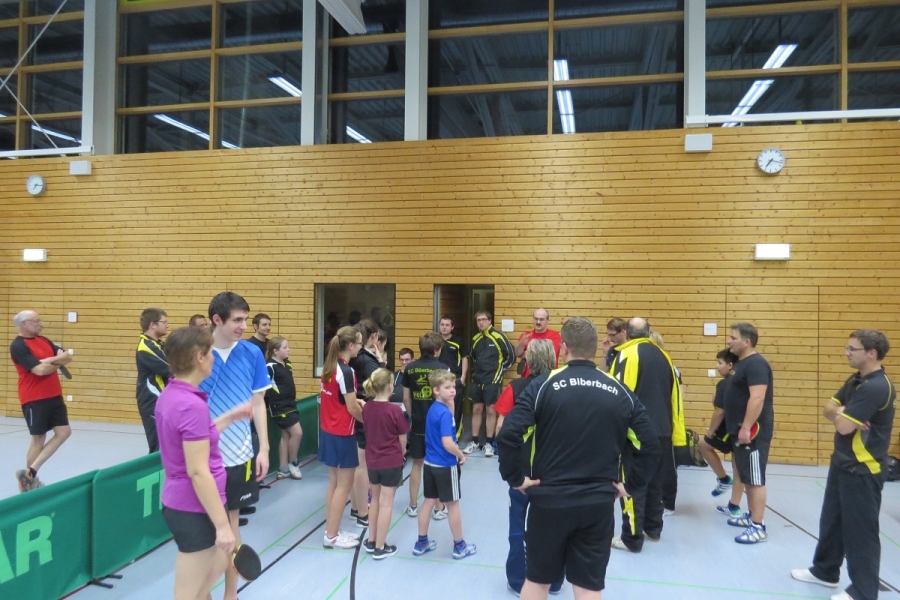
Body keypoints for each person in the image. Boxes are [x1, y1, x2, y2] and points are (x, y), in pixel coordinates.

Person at [498, 317, 660, 600]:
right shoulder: (619, 390)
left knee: (537, 582)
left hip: (549, 501)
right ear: (596, 349)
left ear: (563, 348)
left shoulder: (543, 385)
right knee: (588, 588)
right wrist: (631, 486)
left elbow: (508, 434)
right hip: (597, 504)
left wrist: (516, 478)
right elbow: (650, 443)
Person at [791, 330, 895, 600]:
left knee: (861, 533)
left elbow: (844, 427)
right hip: (842, 463)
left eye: (852, 349)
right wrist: (841, 411)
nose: (846, 353)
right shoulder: (857, 380)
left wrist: (841, 415)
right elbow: (829, 408)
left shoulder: (876, 387)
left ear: (871, 353)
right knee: (832, 522)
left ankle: (864, 591)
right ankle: (825, 572)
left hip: (863, 469)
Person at [155, 326, 252, 600]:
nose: (213, 358)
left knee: (213, 570)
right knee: (189, 593)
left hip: (189, 503)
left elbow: (198, 437)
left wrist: (230, 417)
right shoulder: (190, 405)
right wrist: (223, 526)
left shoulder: (172, 395)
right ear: (199, 357)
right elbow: (197, 471)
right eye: (210, 353)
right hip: (194, 506)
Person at [200, 292, 270, 600]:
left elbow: (258, 402)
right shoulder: (197, 353)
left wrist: (263, 448)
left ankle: (231, 594)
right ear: (217, 320)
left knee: (231, 528)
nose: (244, 325)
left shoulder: (252, 353)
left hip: (239, 457)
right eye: (237, 320)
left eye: (245, 319)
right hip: (203, 460)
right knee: (203, 534)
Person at [494, 339, 563, 596]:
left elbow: (501, 428)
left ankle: (518, 580)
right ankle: (554, 581)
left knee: (518, 528)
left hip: (523, 473)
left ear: (528, 362)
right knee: (556, 528)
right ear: (554, 360)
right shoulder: (563, 389)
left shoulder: (516, 387)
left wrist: (511, 470)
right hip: (555, 474)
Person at [609, 317, 684, 552]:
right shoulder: (664, 356)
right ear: (648, 333)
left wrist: (613, 431)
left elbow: (619, 394)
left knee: (631, 483)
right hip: (663, 431)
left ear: (626, 333)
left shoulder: (626, 354)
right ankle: (653, 529)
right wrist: (677, 433)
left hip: (636, 433)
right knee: (655, 483)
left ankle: (631, 538)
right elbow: (675, 397)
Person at [413, 369, 476, 560]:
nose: (452, 390)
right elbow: (448, 443)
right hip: (446, 465)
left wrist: (451, 402)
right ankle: (460, 546)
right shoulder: (444, 414)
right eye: (447, 388)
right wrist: (461, 455)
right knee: (453, 505)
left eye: (453, 387)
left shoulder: (434, 409)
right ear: (436, 390)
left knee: (428, 501)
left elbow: (448, 423)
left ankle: (421, 542)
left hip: (430, 464)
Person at [723, 322, 774, 544]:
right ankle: (752, 515)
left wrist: (746, 427)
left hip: (753, 433)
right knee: (746, 476)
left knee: (754, 479)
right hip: (739, 431)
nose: (729, 341)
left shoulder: (756, 365)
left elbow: (757, 398)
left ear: (747, 341)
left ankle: (758, 526)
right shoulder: (741, 364)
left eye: (733, 338)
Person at [11, 310, 73, 492]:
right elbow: (40, 371)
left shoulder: (44, 340)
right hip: (34, 397)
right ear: (24, 324)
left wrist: (50, 359)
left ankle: (29, 473)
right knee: (38, 438)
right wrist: (57, 361)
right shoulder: (18, 346)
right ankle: (30, 481)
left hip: (54, 395)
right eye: (36, 321)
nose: (41, 324)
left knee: (64, 432)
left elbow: (67, 356)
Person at [319, 326, 364, 549]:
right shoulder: (347, 371)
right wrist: (369, 421)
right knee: (344, 486)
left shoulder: (329, 367)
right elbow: (352, 408)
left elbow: (339, 399)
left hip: (328, 430)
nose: (361, 347)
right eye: (360, 343)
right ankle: (332, 536)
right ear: (350, 345)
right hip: (343, 433)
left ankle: (331, 529)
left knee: (334, 483)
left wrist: (356, 402)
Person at [361, 368, 410, 559]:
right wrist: (402, 452)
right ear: (390, 387)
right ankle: (381, 547)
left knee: (374, 500)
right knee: (386, 503)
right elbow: (403, 439)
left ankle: (371, 540)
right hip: (390, 461)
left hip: (372, 461)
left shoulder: (367, 407)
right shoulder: (395, 410)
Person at [402, 332, 447, 519]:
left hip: (418, 423)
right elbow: (447, 398)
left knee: (417, 463)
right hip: (437, 424)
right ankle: (438, 508)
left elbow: (406, 398)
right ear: (436, 350)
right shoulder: (443, 368)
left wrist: (413, 416)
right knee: (437, 464)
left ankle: (413, 506)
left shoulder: (410, 368)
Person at [697, 348, 746, 517]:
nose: (717, 367)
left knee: (703, 443)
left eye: (720, 363)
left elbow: (719, 411)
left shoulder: (725, 384)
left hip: (730, 429)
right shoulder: (743, 381)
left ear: (730, 365)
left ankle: (724, 479)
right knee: (738, 467)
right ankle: (734, 506)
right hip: (744, 428)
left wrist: (711, 431)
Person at [464, 311, 513, 457]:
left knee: (491, 410)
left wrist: (499, 372)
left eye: (483, 319)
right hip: (477, 379)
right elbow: (473, 357)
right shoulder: (475, 338)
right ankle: (474, 441)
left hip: (492, 379)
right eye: (478, 320)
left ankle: (489, 443)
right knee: (476, 409)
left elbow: (510, 356)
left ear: (490, 320)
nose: (481, 322)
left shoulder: (498, 336)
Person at [348, 319, 382, 528]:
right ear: (374, 337)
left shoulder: (352, 359)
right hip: (363, 413)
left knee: (355, 465)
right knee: (361, 465)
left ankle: (355, 507)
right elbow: (381, 385)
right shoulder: (367, 360)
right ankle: (362, 512)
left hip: (352, 414)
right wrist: (381, 363)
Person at [648, 330, 682, 515]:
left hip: (666, 421)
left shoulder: (669, 366)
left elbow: (677, 395)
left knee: (667, 464)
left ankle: (668, 503)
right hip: (651, 420)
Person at [265, 336, 303, 480]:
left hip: (290, 404)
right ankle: (293, 462)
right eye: (285, 347)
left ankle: (283, 469)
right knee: (297, 433)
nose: (288, 350)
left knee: (286, 435)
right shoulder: (269, 367)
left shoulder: (287, 364)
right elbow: (265, 388)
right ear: (275, 351)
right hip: (280, 407)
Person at [136, 307, 170, 453]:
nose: (167, 325)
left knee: (167, 443)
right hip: (152, 401)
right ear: (153, 325)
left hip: (162, 400)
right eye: (164, 322)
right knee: (158, 447)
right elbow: (170, 369)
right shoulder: (146, 347)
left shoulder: (159, 344)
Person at [437, 315, 468, 437]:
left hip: (455, 380)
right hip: (439, 380)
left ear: (452, 327)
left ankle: (455, 433)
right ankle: (442, 433)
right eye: (442, 324)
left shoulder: (459, 341)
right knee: (440, 407)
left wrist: (463, 377)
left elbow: (465, 358)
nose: (444, 327)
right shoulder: (435, 340)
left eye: (447, 325)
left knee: (456, 408)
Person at [513, 308, 561, 378]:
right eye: (536, 319)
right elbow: (517, 354)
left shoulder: (555, 336)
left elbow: (548, 355)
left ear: (547, 320)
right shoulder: (526, 335)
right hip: (527, 378)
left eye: (541, 319)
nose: (538, 322)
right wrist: (522, 343)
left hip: (548, 377)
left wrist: (525, 353)